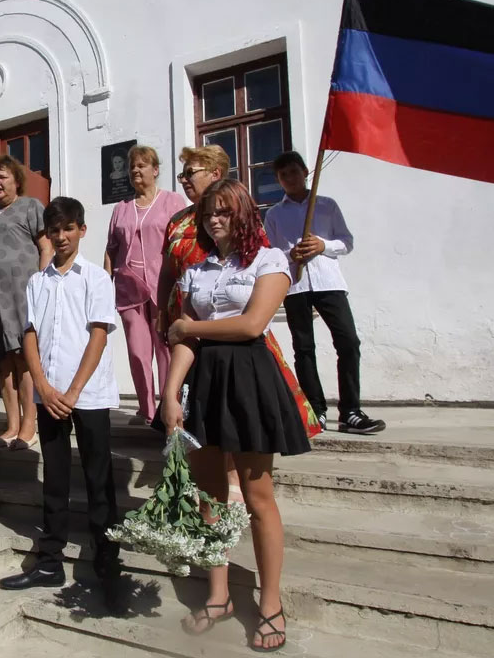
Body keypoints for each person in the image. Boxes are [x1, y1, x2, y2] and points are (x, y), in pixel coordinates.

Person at [161, 179, 312, 653]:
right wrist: (169, 395)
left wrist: (189, 325)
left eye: (224, 210)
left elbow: (251, 324)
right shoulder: (197, 269)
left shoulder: (269, 260)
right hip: (205, 381)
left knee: (256, 494)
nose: (214, 218)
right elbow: (184, 342)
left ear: (243, 213)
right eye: (208, 211)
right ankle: (219, 595)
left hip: (249, 377)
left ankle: (270, 603)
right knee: (209, 496)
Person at [0, 197, 120, 596]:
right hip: (49, 396)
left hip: (88, 394)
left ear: (82, 230)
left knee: (98, 479)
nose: (62, 236)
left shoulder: (96, 278)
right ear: (47, 235)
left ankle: (106, 563)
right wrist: (45, 389)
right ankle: (50, 560)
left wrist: (72, 391)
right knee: (54, 479)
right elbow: (29, 335)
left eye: (69, 228)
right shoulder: (38, 281)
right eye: (55, 230)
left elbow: (98, 335)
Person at [157, 146, 315, 433]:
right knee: (203, 425)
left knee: (243, 426)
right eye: (182, 175)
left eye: (190, 173)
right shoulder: (178, 222)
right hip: (189, 318)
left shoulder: (250, 233)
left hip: (235, 330)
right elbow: (168, 272)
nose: (184, 180)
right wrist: (163, 314)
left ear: (215, 173)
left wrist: (187, 328)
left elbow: (256, 294)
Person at [263, 151, 384, 435]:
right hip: (296, 286)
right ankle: (314, 408)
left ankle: (351, 410)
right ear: (279, 181)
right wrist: (289, 253)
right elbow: (269, 253)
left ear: (305, 172)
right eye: (283, 176)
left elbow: (346, 242)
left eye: (294, 172)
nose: (290, 179)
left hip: (330, 283)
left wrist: (323, 246)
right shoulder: (274, 214)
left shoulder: (326, 206)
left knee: (349, 342)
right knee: (304, 349)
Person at [0, 155, 52, 450]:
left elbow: (45, 247)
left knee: (24, 359)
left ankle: (30, 426)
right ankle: (11, 425)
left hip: (23, 297)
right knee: (2, 364)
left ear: (16, 180)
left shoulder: (31, 207)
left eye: (2, 177)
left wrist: (42, 288)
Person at [104, 145, 187, 425]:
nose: (136, 171)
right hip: (129, 289)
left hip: (163, 286)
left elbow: (183, 240)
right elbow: (111, 249)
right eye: (132, 167)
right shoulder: (121, 208)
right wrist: (107, 284)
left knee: (165, 349)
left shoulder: (173, 201)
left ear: (156, 170)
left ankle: (167, 407)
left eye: (142, 165)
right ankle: (145, 408)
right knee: (138, 352)